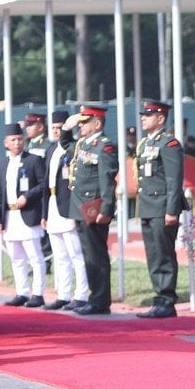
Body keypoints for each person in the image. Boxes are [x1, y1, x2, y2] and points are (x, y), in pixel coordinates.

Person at [59, 104, 118, 315]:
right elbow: (65, 142)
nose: (81, 126)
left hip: (94, 207)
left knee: (96, 255)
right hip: (81, 208)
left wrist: (106, 209)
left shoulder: (104, 146)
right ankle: (95, 297)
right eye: (81, 122)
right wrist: (67, 126)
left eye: (85, 122)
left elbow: (107, 181)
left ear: (98, 123)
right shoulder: (83, 144)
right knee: (88, 255)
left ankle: (100, 301)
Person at [136, 99, 186, 319]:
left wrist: (172, 211)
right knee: (153, 255)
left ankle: (167, 300)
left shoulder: (169, 144)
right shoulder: (144, 144)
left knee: (163, 254)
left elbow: (174, 181)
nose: (143, 118)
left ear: (160, 118)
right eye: (143, 115)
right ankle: (159, 298)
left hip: (162, 206)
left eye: (148, 115)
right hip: (148, 206)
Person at [41, 109, 90, 311]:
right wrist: (44, 213)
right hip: (53, 203)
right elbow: (46, 182)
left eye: (59, 128)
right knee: (60, 255)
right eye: (53, 128)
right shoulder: (51, 150)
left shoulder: (74, 147)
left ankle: (81, 294)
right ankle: (63, 294)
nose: (56, 132)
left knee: (76, 253)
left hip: (68, 204)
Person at [0, 123, 48, 307]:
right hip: (10, 216)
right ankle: (22, 292)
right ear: (6, 143)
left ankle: (38, 293)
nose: (17, 143)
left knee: (35, 256)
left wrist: (27, 196)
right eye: (13, 140)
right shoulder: (2, 165)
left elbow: (43, 185)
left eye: (19, 139)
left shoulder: (33, 160)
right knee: (16, 257)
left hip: (28, 214)